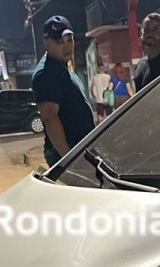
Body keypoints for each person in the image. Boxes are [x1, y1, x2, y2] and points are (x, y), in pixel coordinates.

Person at [31, 15, 95, 166]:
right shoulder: (46, 74)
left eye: (69, 40)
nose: (66, 47)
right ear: (46, 42)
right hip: (68, 154)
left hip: (78, 149)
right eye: (59, 42)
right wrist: (69, 159)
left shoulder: (62, 66)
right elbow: (50, 117)